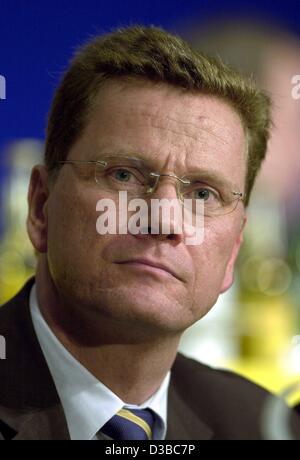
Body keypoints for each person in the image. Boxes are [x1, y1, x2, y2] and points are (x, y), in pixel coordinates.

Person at [0, 25, 298, 441]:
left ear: (233, 251)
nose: (163, 220)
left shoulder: (263, 426)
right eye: (124, 174)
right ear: (40, 207)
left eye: (203, 193)